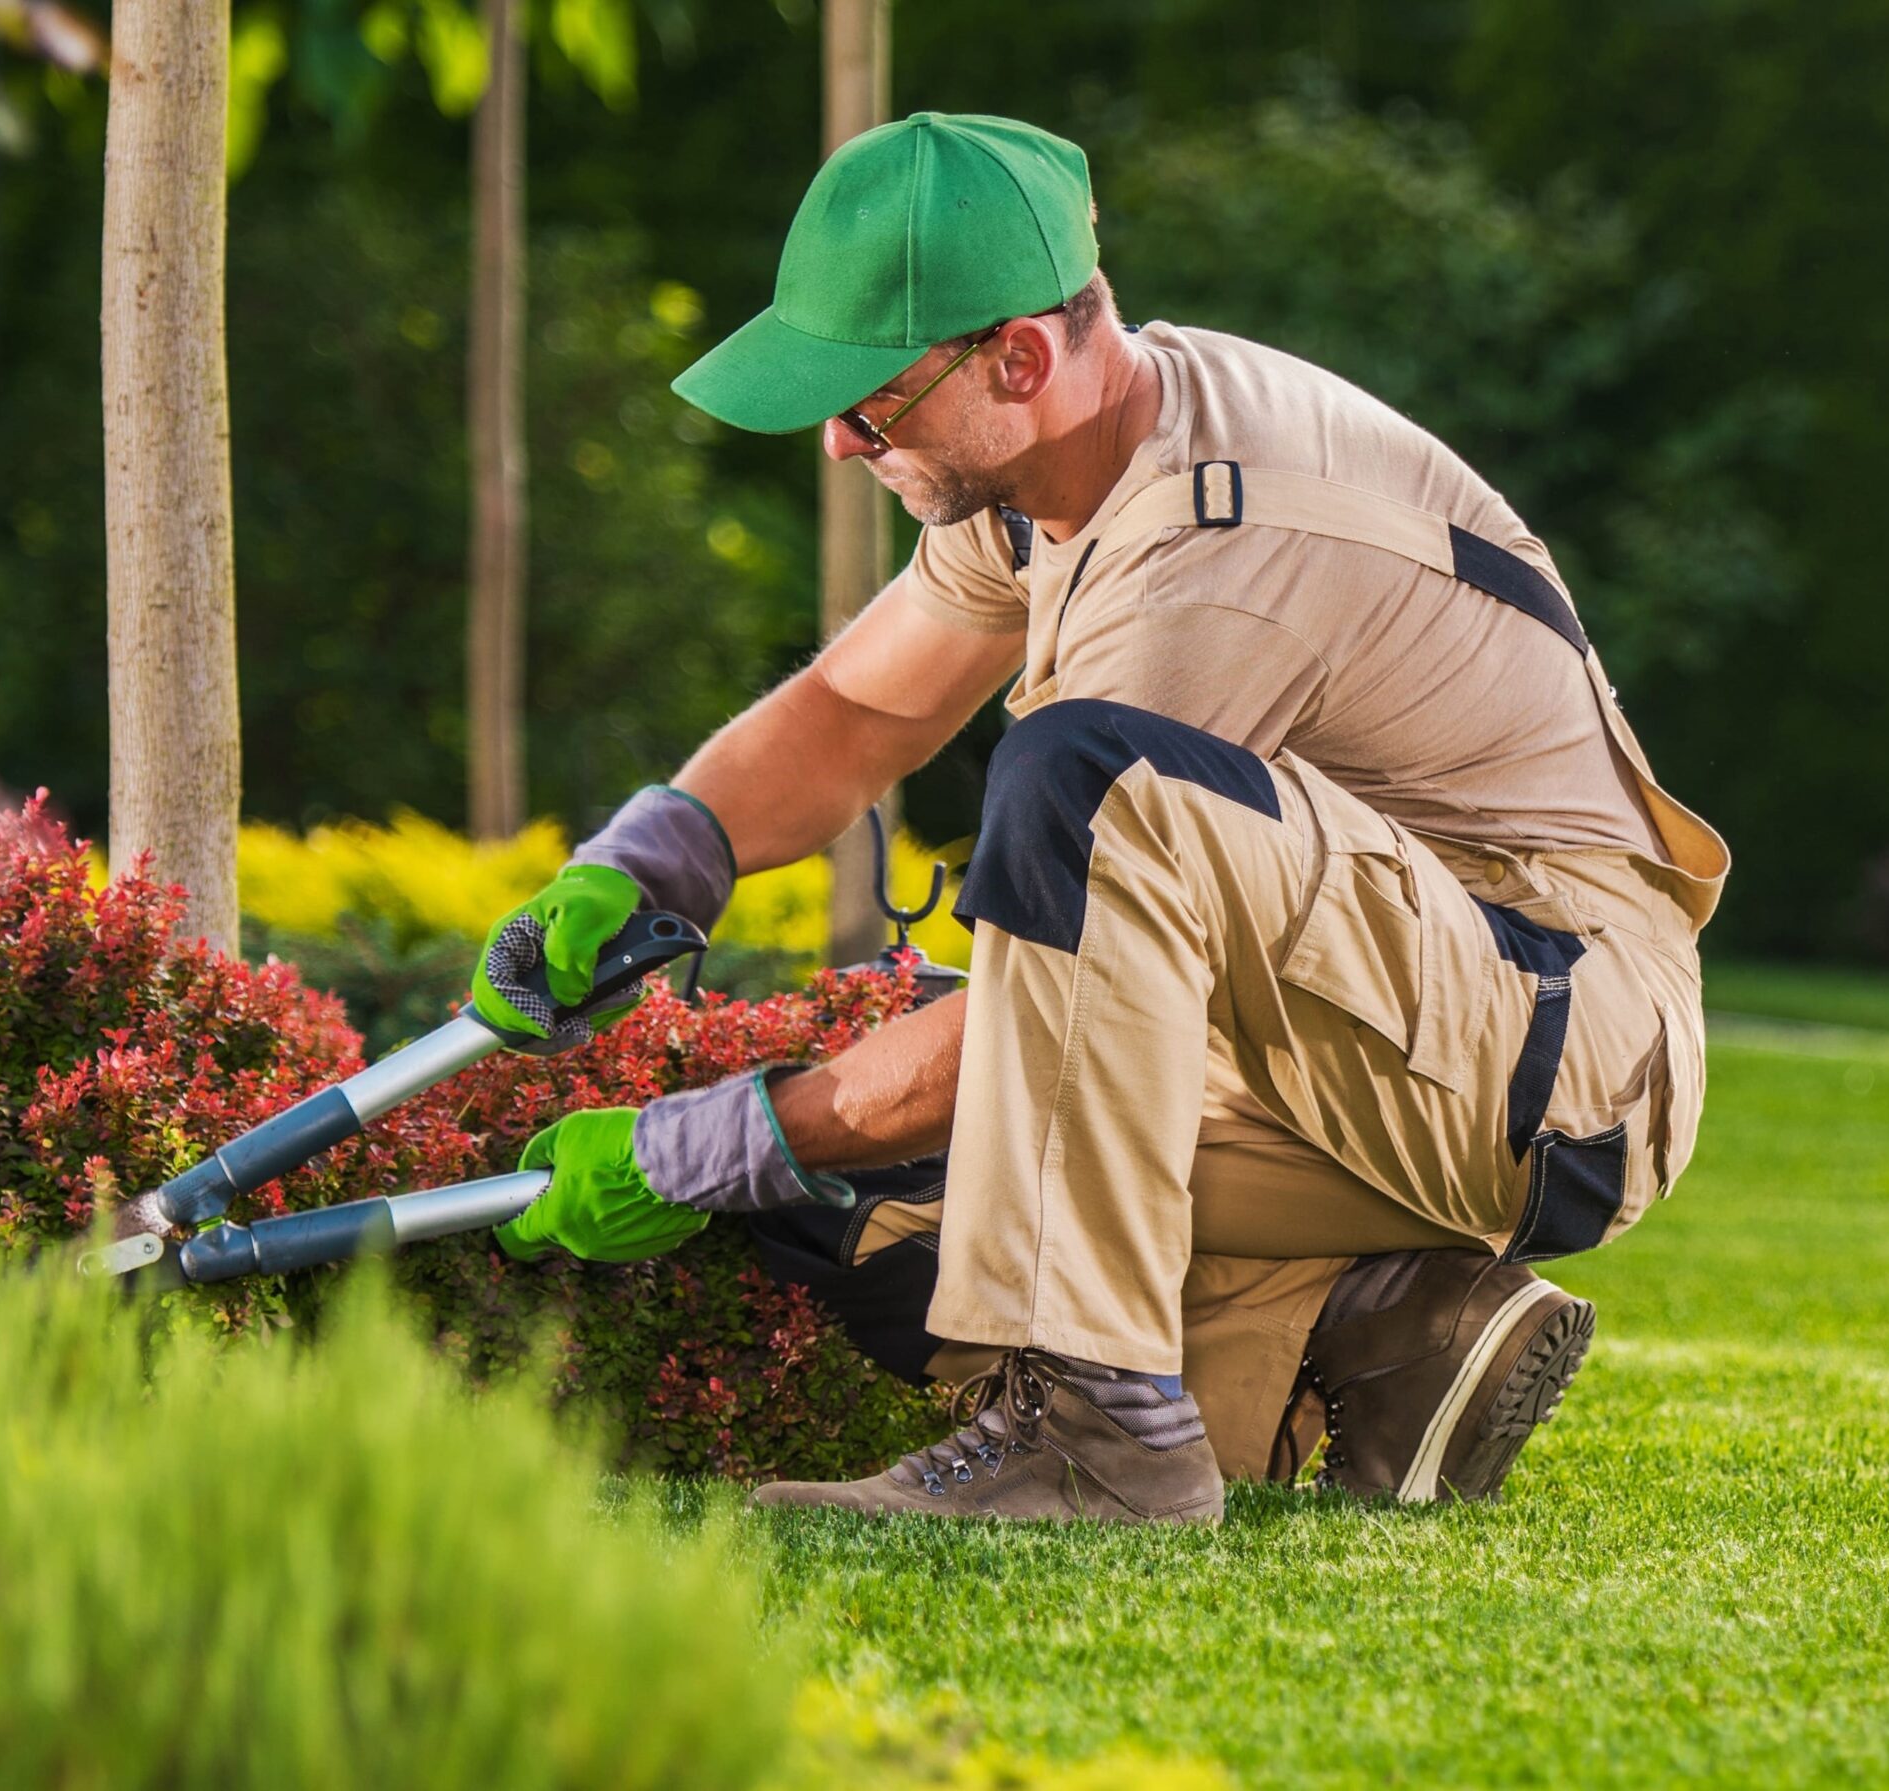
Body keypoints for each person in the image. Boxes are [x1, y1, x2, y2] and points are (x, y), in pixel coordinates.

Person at [472, 112, 1729, 1525]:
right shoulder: (1051, 471)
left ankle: (1100, 1434)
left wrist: (703, 1145)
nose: (836, 442)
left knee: (1074, 800)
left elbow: (1031, 1013)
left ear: (1017, 355)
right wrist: (650, 860)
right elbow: (860, 714)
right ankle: (1388, 1334)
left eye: (871, 404)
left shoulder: (1214, 552)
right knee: (875, 1220)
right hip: (1376, 1035)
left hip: (1551, 1051)